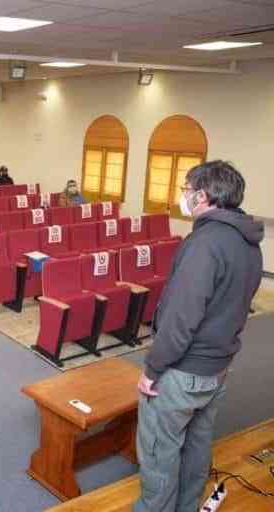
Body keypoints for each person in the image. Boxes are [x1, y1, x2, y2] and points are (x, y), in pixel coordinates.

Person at [134, 161, 262, 512]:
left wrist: (153, 370)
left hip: (182, 370)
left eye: (186, 190)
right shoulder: (248, 242)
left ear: (202, 195)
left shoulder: (205, 243)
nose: (183, 196)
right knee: (196, 447)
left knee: (160, 452)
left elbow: (181, 318)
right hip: (217, 366)